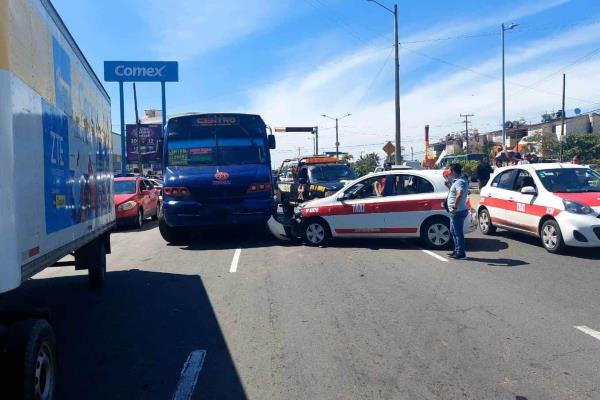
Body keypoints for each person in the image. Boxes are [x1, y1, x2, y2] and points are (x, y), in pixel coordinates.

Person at [447, 163, 469, 259]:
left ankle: (461, 253)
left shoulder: (460, 181)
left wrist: (455, 207)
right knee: (453, 231)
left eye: (449, 170)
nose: (448, 171)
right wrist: (449, 186)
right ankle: (456, 250)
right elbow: (456, 192)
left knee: (458, 232)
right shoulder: (457, 181)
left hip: (458, 211)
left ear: (453, 171)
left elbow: (460, 194)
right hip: (456, 211)